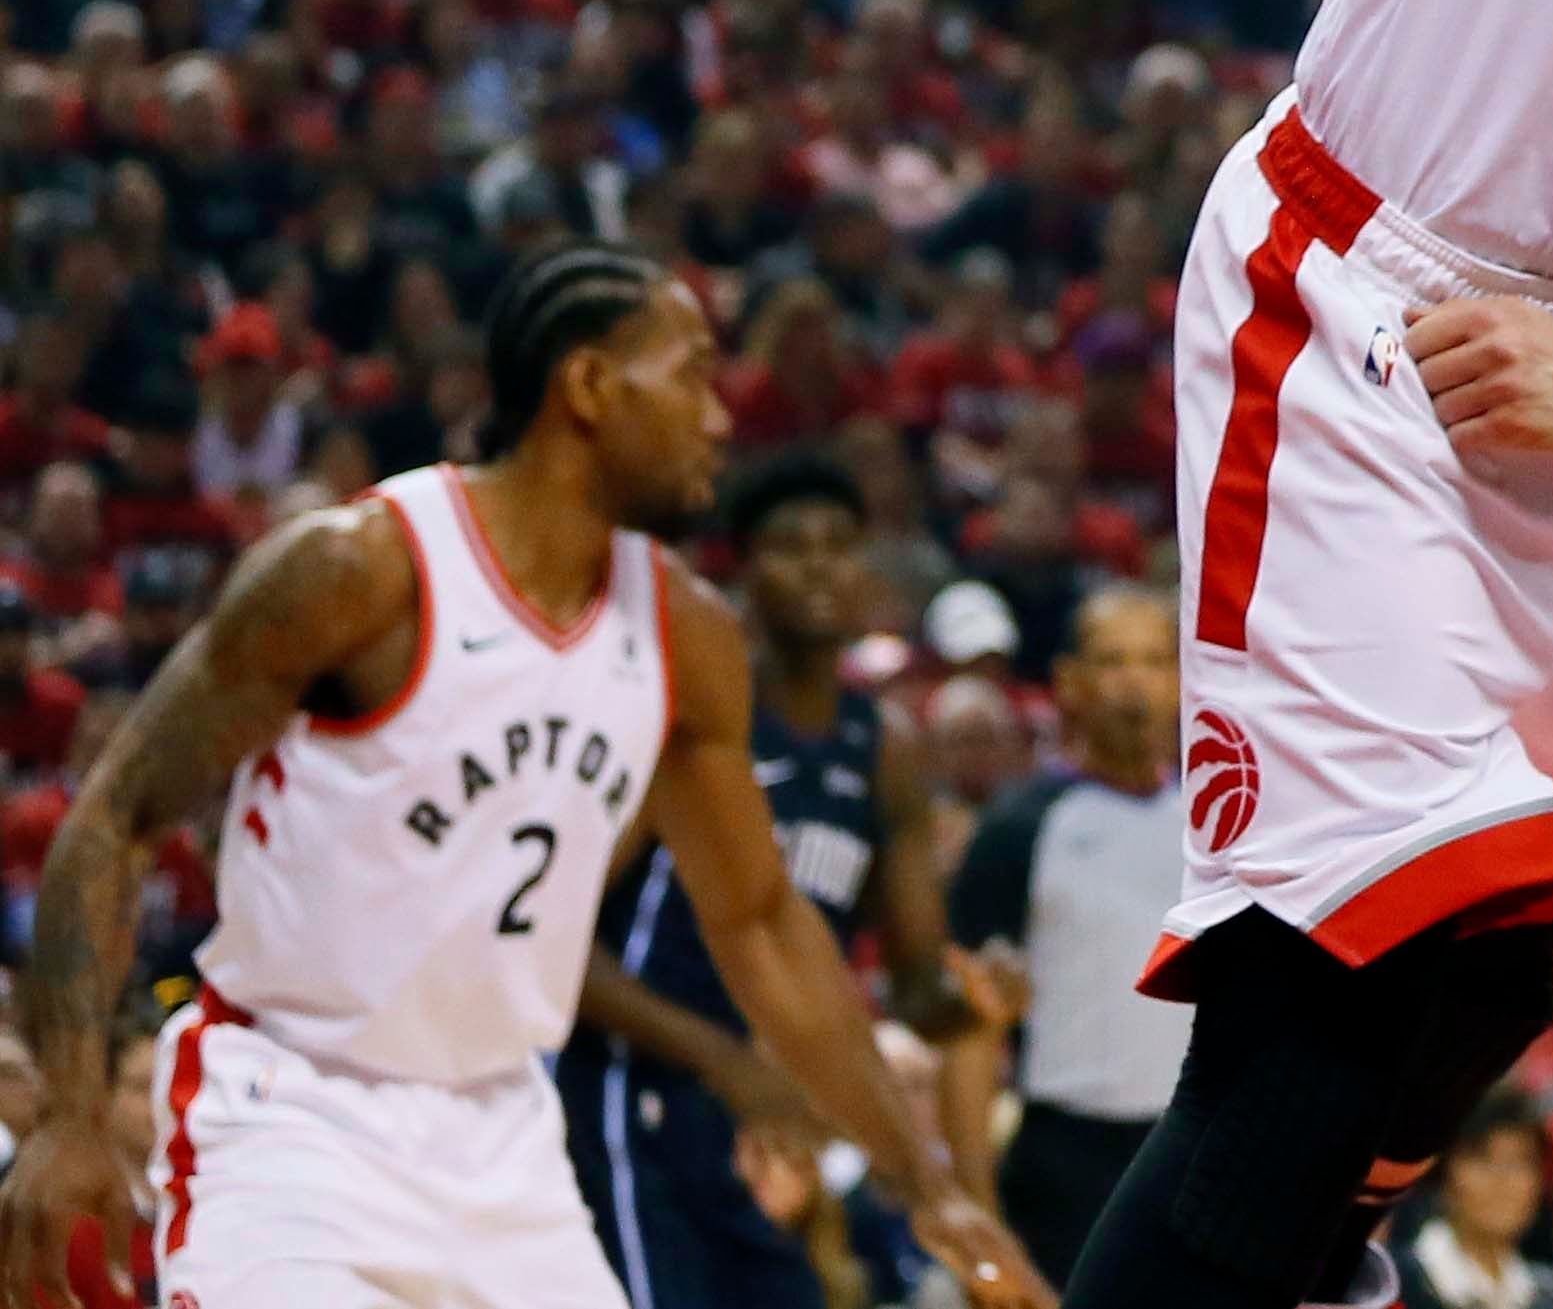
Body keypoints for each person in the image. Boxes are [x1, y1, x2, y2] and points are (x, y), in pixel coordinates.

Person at [0, 250, 1045, 1309]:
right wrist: (73, 1113)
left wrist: (927, 1186)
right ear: (588, 386)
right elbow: (116, 818)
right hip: (296, 1110)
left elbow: (766, 925)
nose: (719, 418)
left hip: (507, 1136)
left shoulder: (685, 632)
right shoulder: (360, 568)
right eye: (688, 374)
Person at [562, 447, 961, 1309]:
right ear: (742, 574)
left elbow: (919, 986)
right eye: (790, 545)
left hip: (767, 1118)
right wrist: (726, 1061)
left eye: (838, 543)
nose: (819, 564)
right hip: (636, 1096)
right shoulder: (687, 717)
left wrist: (978, 998)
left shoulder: (882, 746)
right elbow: (560, 951)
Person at [947, 584, 1189, 1287]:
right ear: (1070, 683)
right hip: (1065, 1157)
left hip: (1191, 1149)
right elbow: (968, 1037)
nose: (1134, 681)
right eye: (1112, 661)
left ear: (1180, 680)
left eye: (1152, 659)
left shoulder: (1218, 828)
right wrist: (979, 1222)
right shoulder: (1018, 829)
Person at [1407, 1091, 1553, 1309]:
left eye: (1521, 1160)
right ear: (1444, 1170)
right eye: (1483, 1157)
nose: (1504, 1180)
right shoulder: (1396, 1285)